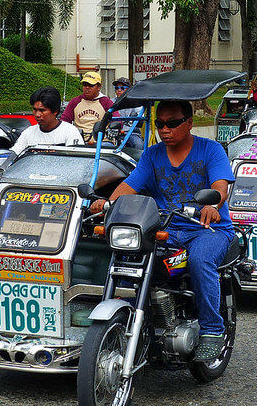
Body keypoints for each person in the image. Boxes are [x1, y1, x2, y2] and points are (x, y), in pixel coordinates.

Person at [88, 100, 235, 362]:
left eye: (172, 123)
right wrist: (107, 203)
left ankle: (212, 329)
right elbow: (130, 185)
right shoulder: (152, 155)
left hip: (208, 229)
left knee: (201, 260)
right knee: (128, 256)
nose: (165, 130)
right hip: (167, 229)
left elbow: (220, 185)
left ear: (189, 123)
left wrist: (213, 204)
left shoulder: (211, 150)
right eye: (160, 124)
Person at [10, 87, 83, 154]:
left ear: (55, 111)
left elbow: (76, 161)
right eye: (35, 110)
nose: (37, 114)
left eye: (42, 110)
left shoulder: (70, 132)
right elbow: (13, 154)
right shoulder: (28, 133)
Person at [60, 71, 113, 142]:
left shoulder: (106, 102)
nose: (87, 88)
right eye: (85, 85)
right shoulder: (75, 101)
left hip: (101, 142)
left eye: (91, 85)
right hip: (78, 141)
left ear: (99, 87)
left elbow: (117, 120)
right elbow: (64, 121)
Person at [113, 77, 144, 149]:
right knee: (105, 146)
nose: (119, 90)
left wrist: (137, 119)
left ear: (129, 90)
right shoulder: (111, 102)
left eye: (122, 88)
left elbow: (141, 115)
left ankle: (138, 160)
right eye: (117, 88)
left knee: (138, 144)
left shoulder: (135, 102)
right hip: (114, 133)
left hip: (131, 133)